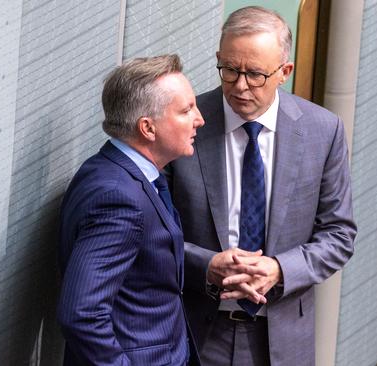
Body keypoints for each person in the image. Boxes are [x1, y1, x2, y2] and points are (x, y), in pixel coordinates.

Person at [167, 6, 357, 366]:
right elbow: (155, 234)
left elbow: (339, 234)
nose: (239, 86)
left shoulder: (323, 130)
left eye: (255, 74)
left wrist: (280, 270)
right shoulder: (183, 125)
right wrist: (208, 265)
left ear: (284, 72)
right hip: (195, 329)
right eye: (229, 70)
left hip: (283, 337)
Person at [57, 54, 204, 366]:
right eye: (186, 110)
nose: (199, 119)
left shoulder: (123, 174)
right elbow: (81, 314)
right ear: (148, 128)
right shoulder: (119, 198)